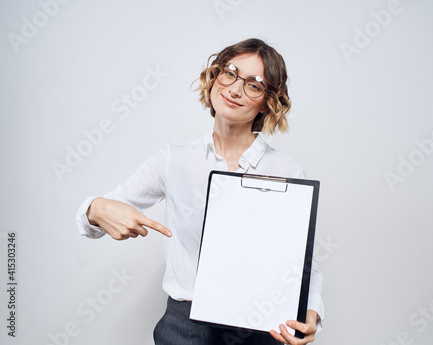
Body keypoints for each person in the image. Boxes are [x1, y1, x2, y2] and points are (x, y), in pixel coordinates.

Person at [75, 38, 324, 345]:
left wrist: (311, 309)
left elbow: (301, 260)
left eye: (254, 85)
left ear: (269, 101)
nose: (234, 89)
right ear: (214, 76)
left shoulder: (287, 171)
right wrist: (95, 208)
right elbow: (97, 217)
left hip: (260, 327)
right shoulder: (174, 159)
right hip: (185, 326)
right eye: (230, 72)